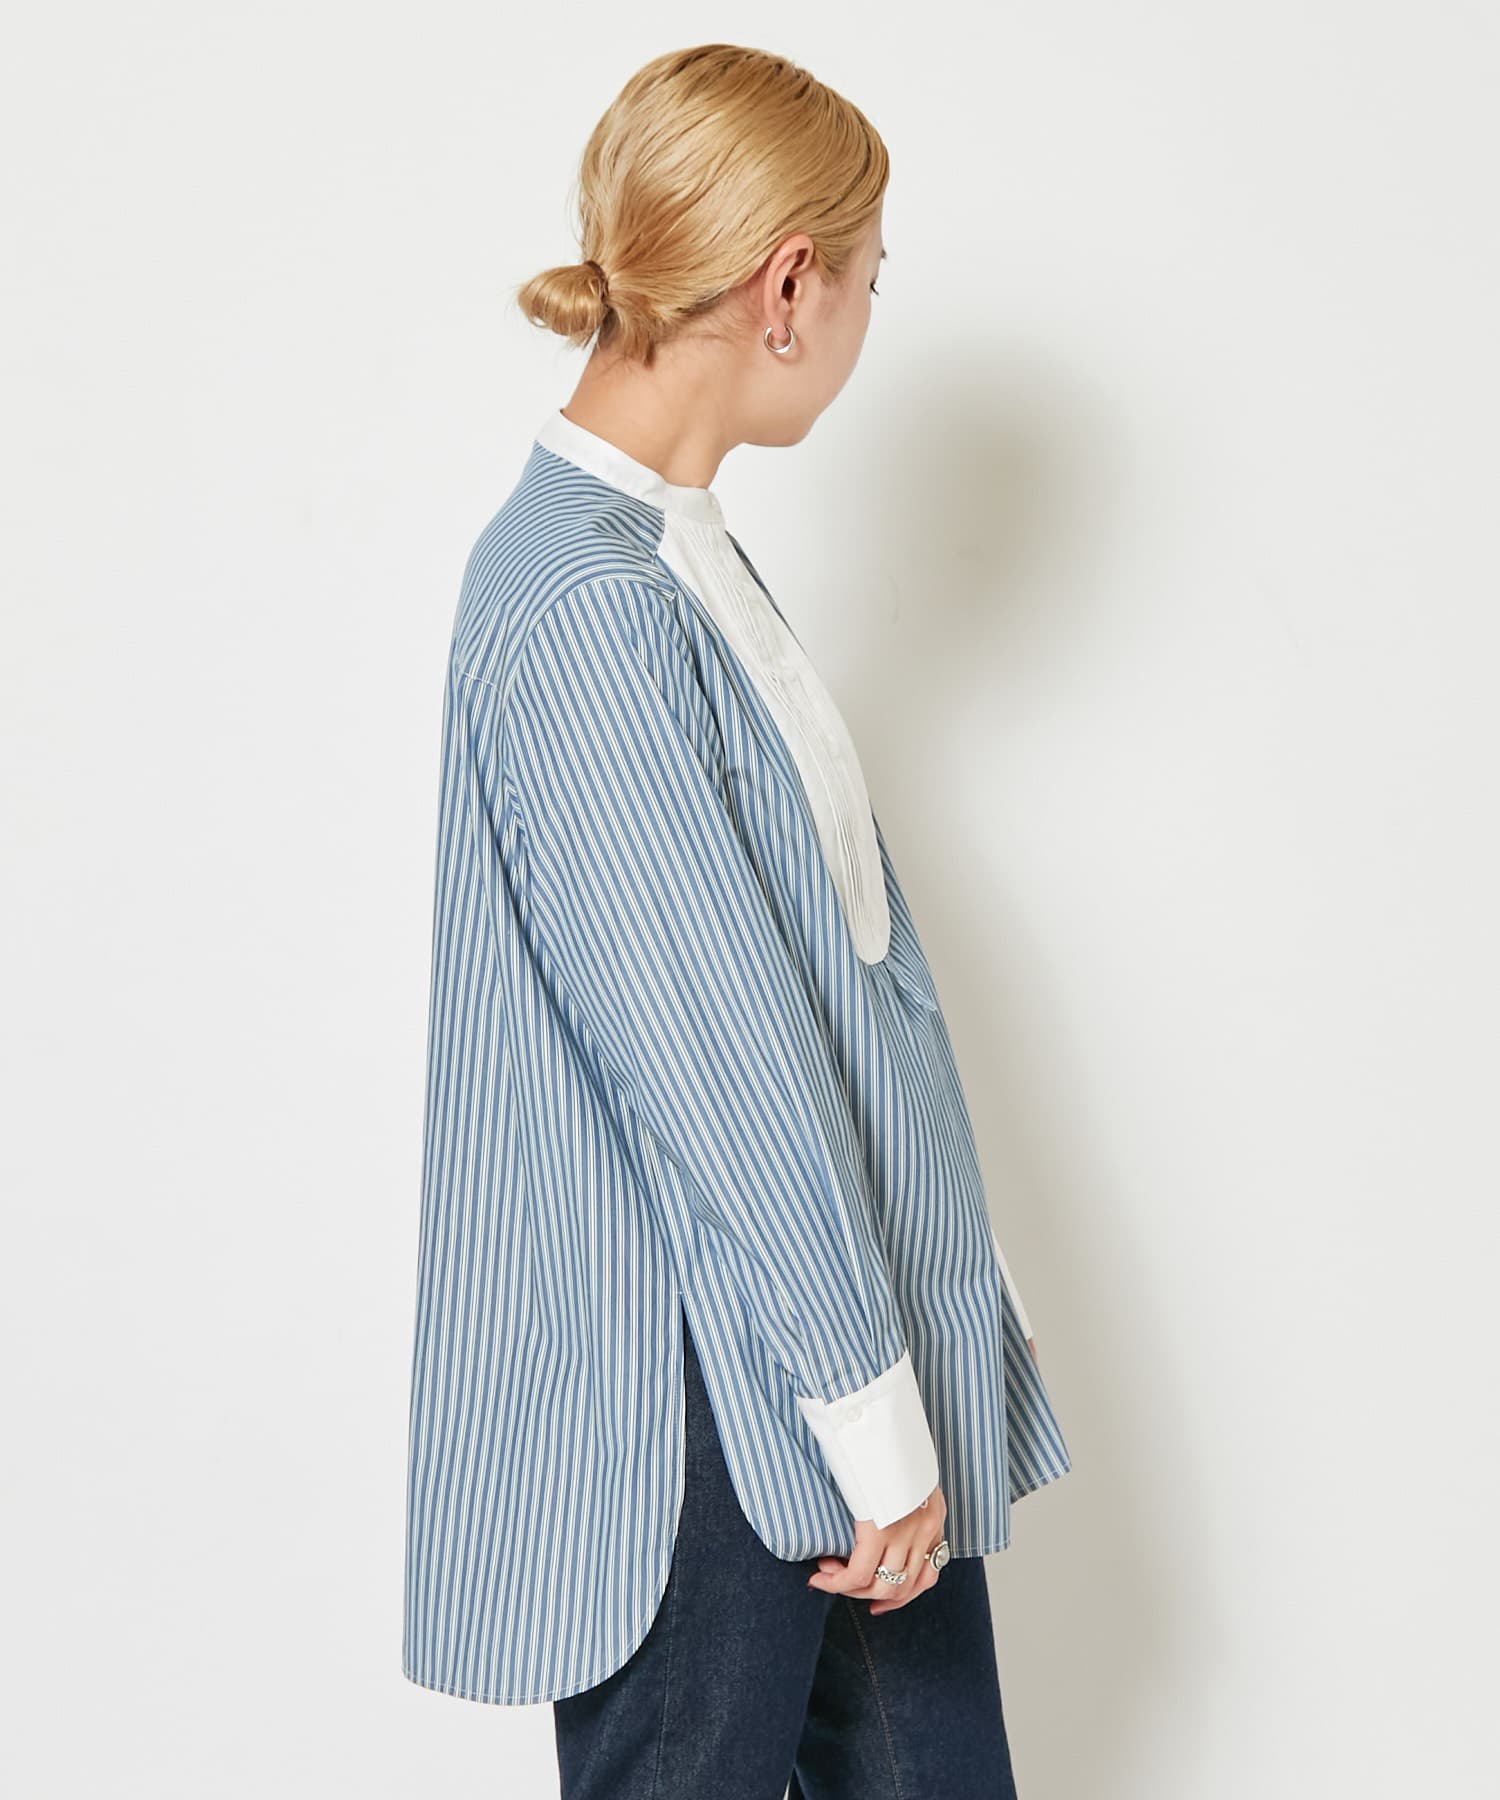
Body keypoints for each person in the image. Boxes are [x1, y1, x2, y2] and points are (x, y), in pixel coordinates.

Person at [402, 42, 1073, 1799]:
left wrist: (932, 1321)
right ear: (789, 287)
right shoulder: (584, 606)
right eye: (867, 280)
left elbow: (815, 987)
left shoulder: (669, 560)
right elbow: (721, 1068)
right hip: (703, 1401)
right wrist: (869, 1406)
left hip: (827, 1360)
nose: (862, 321)